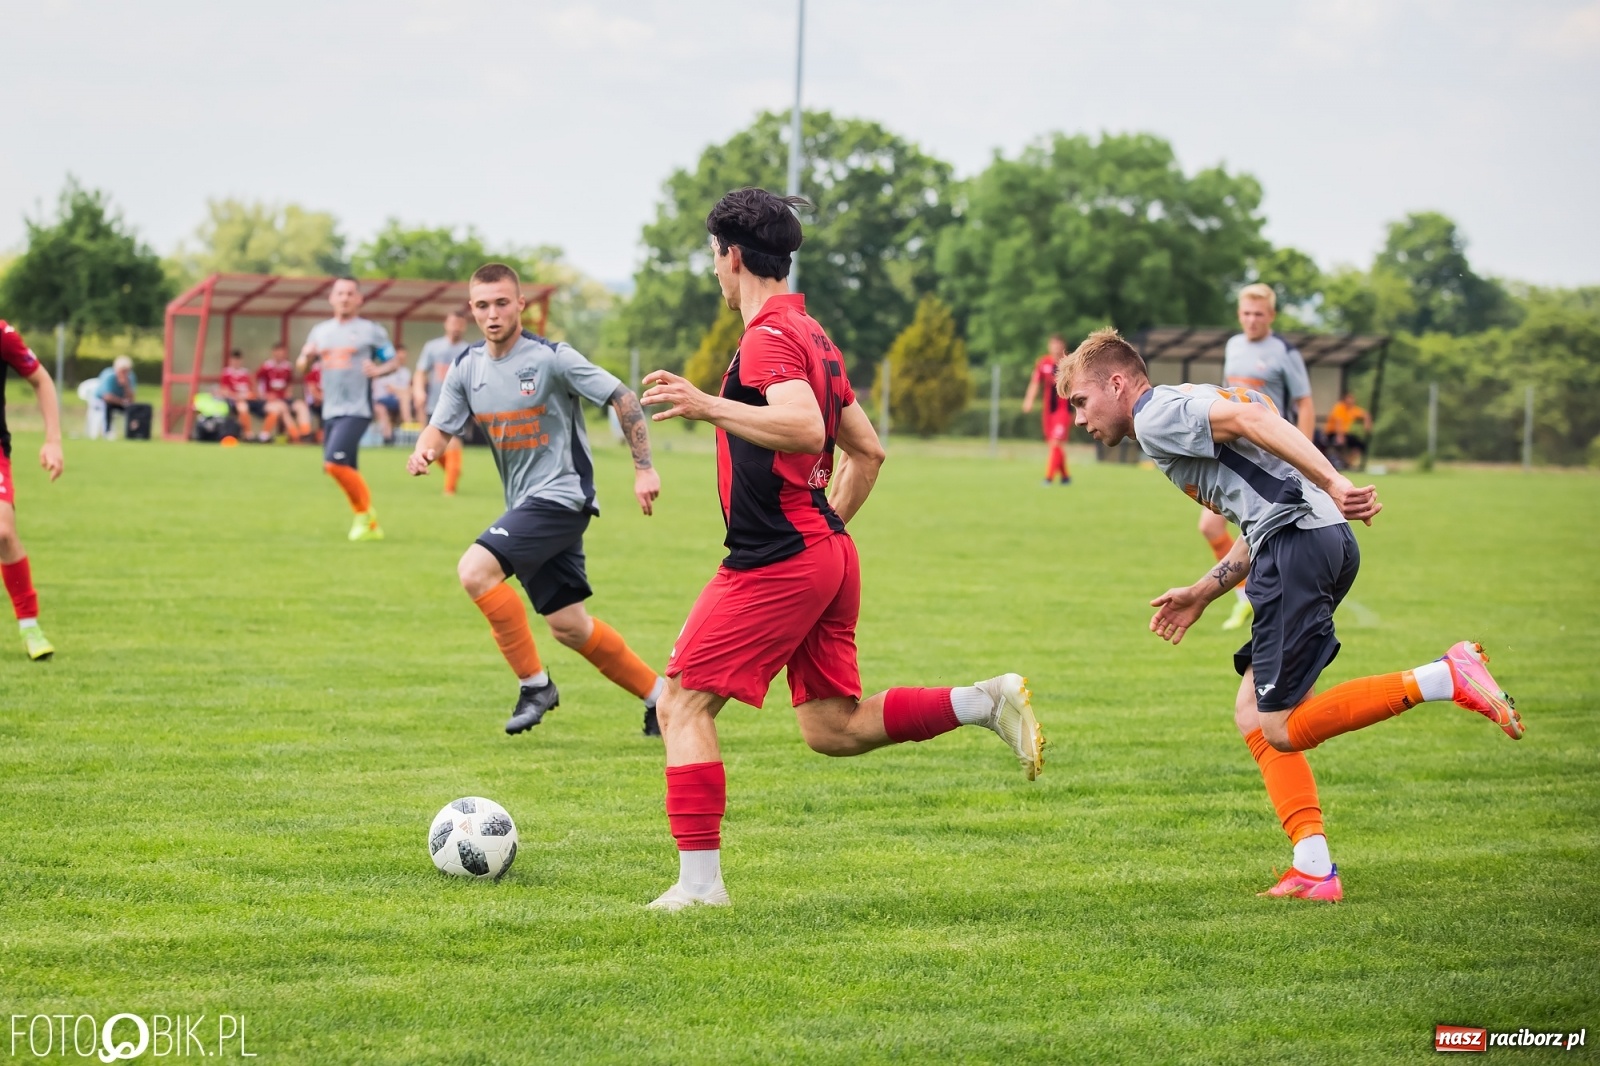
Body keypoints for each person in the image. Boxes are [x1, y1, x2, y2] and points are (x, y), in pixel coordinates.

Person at [637, 188, 1045, 912]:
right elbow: (869, 450)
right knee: (833, 728)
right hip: (822, 550)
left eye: (713, 257)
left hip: (777, 557)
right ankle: (983, 702)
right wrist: (824, 529)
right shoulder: (812, 334)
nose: (715, 271)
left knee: (681, 705)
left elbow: (804, 428)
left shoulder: (768, 338)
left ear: (733, 257)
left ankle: (700, 889)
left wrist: (706, 405)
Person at [1057, 328, 1522, 903]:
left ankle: (1445, 676)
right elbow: (1265, 499)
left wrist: (1335, 479)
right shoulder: (1186, 401)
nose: (1078, 418)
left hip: (1298, 545)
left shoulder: (1154, 416)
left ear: (1117, 383)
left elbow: (1255, 421)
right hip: (1312, 539)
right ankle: (1313, 867)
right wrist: (1205, 590)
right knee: (1253, 714)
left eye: (1081, 401)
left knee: (1278, 726)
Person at [407, 263, 667, 739]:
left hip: (563, 497)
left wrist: (644, 467)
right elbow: (440, 427)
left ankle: (535, 686)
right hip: (525, 506)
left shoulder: (552, 358)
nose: (492, 314)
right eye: (482, 305)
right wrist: (425, 452)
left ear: (520, 305)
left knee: (475, 570)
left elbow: (623, 397)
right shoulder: (467, 367)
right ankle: (660, 698)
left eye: (501, 303)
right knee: (570, 626)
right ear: (471, 310)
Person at [1201, 284, 1317, 633]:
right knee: (1210, 526)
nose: (1252, 320)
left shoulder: (1284, 352)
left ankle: (1278, 602)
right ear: (1239, 314)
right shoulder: (1233, 345)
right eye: (1246, 313)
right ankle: (1245, 597)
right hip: (1234, 451)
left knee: (1267, 535)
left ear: (1271, 316)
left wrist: (1303, 453)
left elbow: (1305, 404)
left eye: (1259, 314)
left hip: (1270, 455)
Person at [297, 277, 400, 540]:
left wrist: (379, 369)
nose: (344, 298)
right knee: (345, 469)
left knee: (334, 463)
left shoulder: (370, 330)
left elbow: (393, 362)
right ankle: (368, 525)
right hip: (330, 410)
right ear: (331, 298)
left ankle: (366, 515)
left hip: (357, 409)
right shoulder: (320, 331)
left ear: (359, 299)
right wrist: (307, 356)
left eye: (350, 293)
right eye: (340, 293)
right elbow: (302, 368)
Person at [0, 320, 64, 661]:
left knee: (3, 533)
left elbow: (41, 379)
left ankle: (30, 627)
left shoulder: (2, 334)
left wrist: (53, 440)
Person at [413, 311, 471, 495]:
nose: (456, 327)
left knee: (453, 444)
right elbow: (420, 372)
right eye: (453, 323)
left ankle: (449, 490)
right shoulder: (433, 347)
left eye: (460, 324)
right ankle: (453, 471)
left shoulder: (469, 351)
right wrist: (418, 390)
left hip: (460, 406)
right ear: (446, 324)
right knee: (433, 448)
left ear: (464, 326)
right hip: (435, 404)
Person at [1021, 334, 1072, 485]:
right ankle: (1065, 477)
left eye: (1058, 344)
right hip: (1048, 411)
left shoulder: (1069, 363)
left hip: (1063, 410)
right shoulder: (1043, 363)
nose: (1055, 348)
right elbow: (1035, 382)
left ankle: (1048, 478)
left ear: (1063, 346)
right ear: (1049, 346)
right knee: (1054, 445)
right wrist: (1029, 400)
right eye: (1053, 344)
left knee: (1056, 443)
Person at [255, 342, 301, 443]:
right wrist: (262, 395)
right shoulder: (266, 366)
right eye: (278, 352)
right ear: (273, 352)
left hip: (283, 399)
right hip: (268, 401)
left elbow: (289, 382)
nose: (280, 354)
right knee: (280, 408)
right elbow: (255, 380)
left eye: (282, 352)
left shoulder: (288, 367)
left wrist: (289, 392)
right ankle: (295, 436)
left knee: (301, 406)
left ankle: (304, 434)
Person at [373, 346, 414, 444]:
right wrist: (404, 391)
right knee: (382, 407)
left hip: (398, 399)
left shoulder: (405, 372)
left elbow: (409, 389)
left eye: (403, 358)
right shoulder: (385, 369)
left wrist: (404, 391)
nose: (401, 360)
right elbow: (390, 389)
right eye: (399, 358)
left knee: (405, 397)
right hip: (382, 399)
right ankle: (389, 437)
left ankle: (408, 427)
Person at [218, 349, 259, 439]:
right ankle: (248, 434)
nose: (236, 362)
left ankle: (261, 435)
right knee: (242, 406)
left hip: (248, 399)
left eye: (238, 360)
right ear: (230, 360)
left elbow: (253, 390)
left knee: (273, 407)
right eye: (234, 360)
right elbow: (224, 390)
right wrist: (235, 396)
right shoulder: (226, 373)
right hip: (233, 401)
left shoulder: (246, 373)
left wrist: (248, 395)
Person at [1324, 390, 1372, 469]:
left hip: (1344, 434)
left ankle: (1347, 462)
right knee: (1339, 444)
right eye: (1349, 398)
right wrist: (1340, 436)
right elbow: (1338, 422)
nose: (1351, 401)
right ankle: (1339, 462)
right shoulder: (1339, 407)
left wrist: (1367, 424)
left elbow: (1366, 415)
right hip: (1332, 433)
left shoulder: (1353, 409)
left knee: (1360, 445)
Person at [95, 356, 138, 439]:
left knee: (133, 409)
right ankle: (107, 431)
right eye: (122, 371)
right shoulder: (109, 376)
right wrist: (122, 402)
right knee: (108, 406)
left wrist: (126, 386)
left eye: (127, 371)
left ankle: (132, 432)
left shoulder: (131, 377)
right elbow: (106, 397)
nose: (125, 373)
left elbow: (132, 399)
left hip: (120, 402)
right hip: (101, 401)